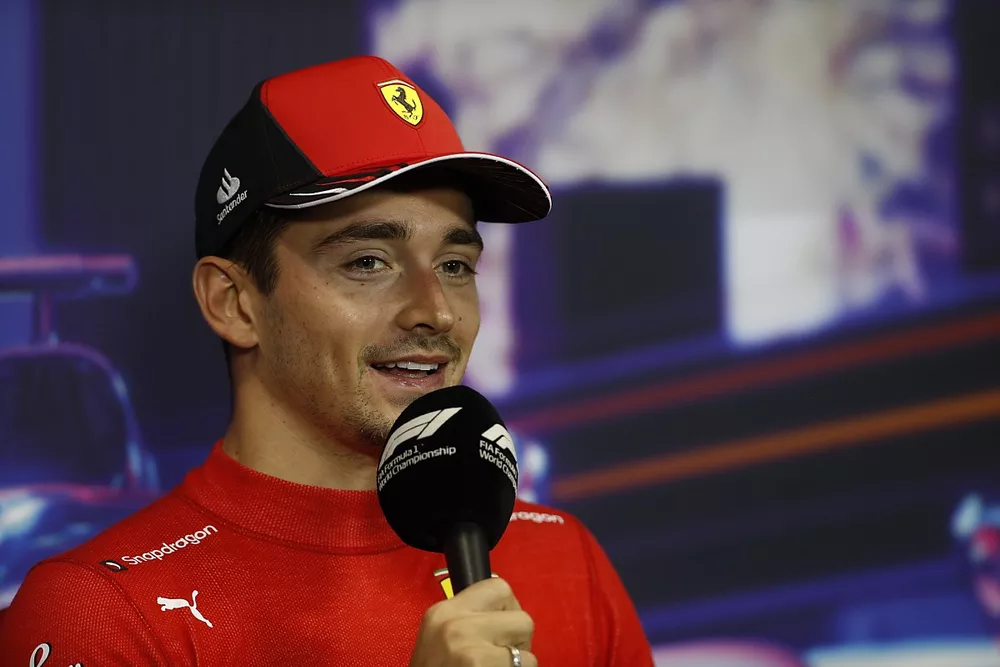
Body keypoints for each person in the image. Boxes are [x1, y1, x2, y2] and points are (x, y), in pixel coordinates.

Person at [0, 56, 654, 667]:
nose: (435, 310)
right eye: (368, 262)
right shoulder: (97, 611)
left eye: (455, 265)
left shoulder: (564, 556)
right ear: (233, 303)